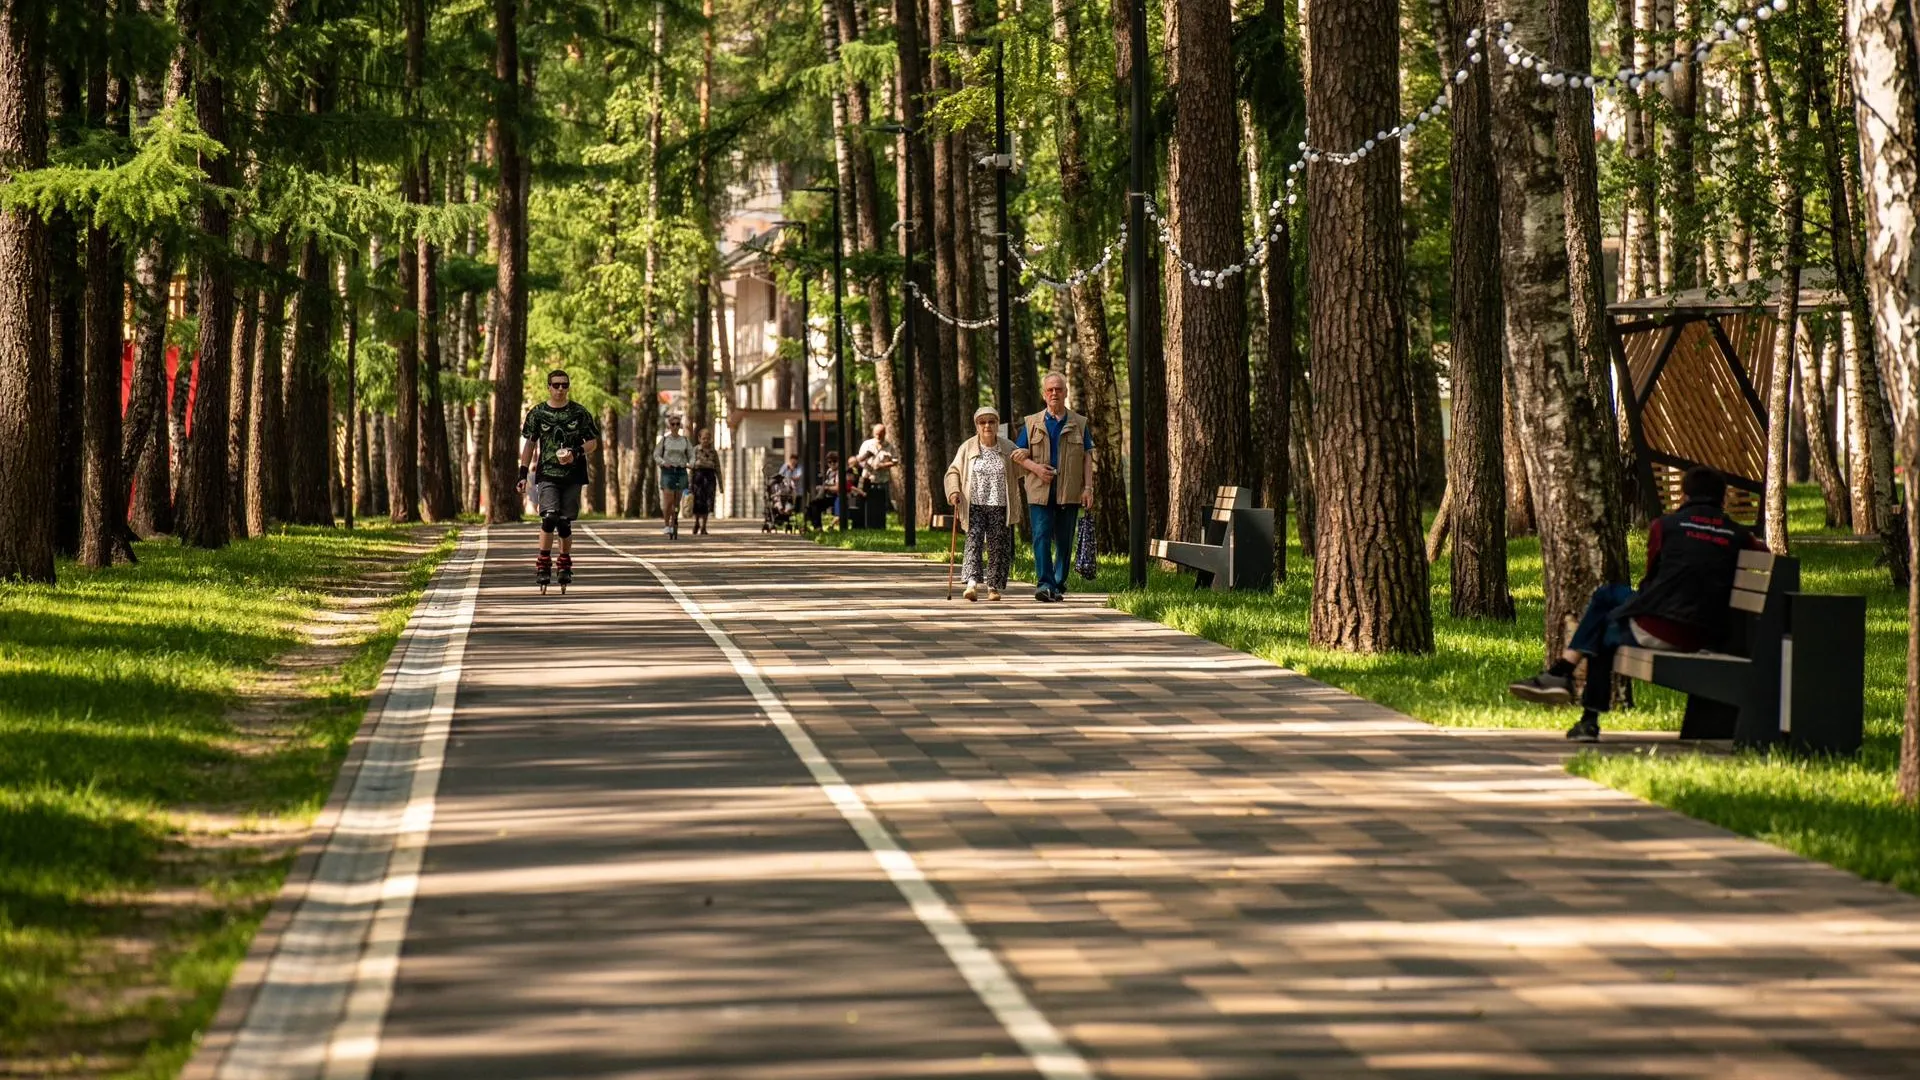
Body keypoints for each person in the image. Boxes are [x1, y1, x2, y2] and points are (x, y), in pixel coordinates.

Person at [1508, 465, 1767, 742]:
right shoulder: (1738, 535)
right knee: (1607, 595)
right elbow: (1765, 554)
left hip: (1666, 628)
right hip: (1708, 630)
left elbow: (1652, 583)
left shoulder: (1665, 527)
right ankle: (1562, 673)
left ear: (1684, 495)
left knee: (1603, 631)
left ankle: (1582, 710)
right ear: (1723, 498)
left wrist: (1625, 613)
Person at [1010, 372, 1095, 602]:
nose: (1054, 393)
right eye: (1050, 390)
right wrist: (1036, 469)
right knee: (1041, 537)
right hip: (1040, 490)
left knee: (1065, 541)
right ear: (1043, 394)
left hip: (1069, 491)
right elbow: (1017, 455)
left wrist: (1088, 488)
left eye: (1058, 389)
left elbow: (1088, 456)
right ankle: (1045, 584)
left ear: (1065, 393)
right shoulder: (1032, 422)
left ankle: (1057, 583)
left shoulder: (1079, 422)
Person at [516, 369, 601, 588]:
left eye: (564, 385)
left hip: (573, 475)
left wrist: (576, 451)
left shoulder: (579, 413)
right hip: (547, 474)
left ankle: (564, 562)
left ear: (568, 387)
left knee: (564, 522)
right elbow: (530, 444)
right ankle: (543, 561)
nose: (560, 389)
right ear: (549, 387)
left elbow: (592, 442)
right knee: (549, 517)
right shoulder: (538, 413)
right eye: (556, 385)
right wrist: (523, 474)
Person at [944, 405, 1019, 602]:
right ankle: (971, 585)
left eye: (991, 422)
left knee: (998, 545)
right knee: (974, 541)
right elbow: (953, 471)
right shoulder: (967, 447)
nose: (987, 425)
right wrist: (953, 491)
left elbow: (1022, 467)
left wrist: (1029, 459)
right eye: (982, 422)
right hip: (974, 502)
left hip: (1000, 503)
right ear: (976, 426)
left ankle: (993, 587)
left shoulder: (1008, 446)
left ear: (997, 425)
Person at [654, 414, 694, 539]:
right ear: (669, 426)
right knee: (669, 500)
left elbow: (691, 454)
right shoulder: (665, 440)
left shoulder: (685, 440)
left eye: (677, 424)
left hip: (681, 471)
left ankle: (674, 522)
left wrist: (691, 464)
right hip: (668, 471)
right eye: (673, 424)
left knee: (677, 501)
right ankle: (667, 525)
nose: (675, 426)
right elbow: (656, 455)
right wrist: (663, 463)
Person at [852, 423, 899, 521]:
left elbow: (895, 461)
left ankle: (878, 523)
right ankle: (863, 523)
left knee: (880, 504)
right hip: (867, 478)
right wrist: (865, 459)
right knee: (863, 503)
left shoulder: (889, 446)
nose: (879, 437)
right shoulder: (867, 444)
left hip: (882, 480)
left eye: (881, 434)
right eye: (877, 434)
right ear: (873, 433)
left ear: (885, 434)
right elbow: (858, 460)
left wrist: (882, 465)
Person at [689, 429, 722, 536]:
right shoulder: (695, 450)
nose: (706, 441)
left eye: (708, 438)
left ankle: (704, 526)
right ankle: (697, 522)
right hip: (698, 478)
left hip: (710, 478)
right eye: (703, 438)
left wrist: (721, 485)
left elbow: (718, 468)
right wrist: (689, 483)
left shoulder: (714, 452)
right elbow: (691, 466)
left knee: (708, 502)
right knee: (698, 502)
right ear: (699, 439)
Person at [805, 451, 842, 530]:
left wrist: (826, 488)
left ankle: (818, 527)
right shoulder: (829, 471)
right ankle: (816, 527)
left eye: (834, 461)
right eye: (829, 462)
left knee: (815, 504)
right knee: (812, 505)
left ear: (838, 461)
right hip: (827, 495)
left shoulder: (839, 473)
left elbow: (838, 488)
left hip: (836, 497)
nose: (832, 464)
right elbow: (826, 483)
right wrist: (820, 487)